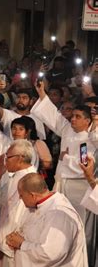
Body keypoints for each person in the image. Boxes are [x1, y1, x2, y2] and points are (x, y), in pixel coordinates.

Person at [31, 81, 97, 221]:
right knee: (57, 218)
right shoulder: (67, 128)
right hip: (61, 181)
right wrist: (41, 92)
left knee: (77, 219)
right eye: (72, 115)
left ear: (87, 121)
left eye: (77, 117)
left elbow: (84, 165)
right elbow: (53, 116)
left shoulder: (92, 137)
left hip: (79, 185)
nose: (72, 119)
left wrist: (65, 158)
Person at [6, 173, 88, 267]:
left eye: (21, 195)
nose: (20, 198)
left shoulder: (60, 214)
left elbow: (52, 253)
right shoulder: (38, 205)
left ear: (33, 195)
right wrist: (14, 240)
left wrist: (22, 244)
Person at [0, 139, 36, 267]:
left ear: (20, 158)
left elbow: (19, 217)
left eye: (8, 157)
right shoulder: (15, 176)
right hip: (5, 244)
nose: (5, 160)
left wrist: (3, 247)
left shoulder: (29, 180)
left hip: (12, 248)